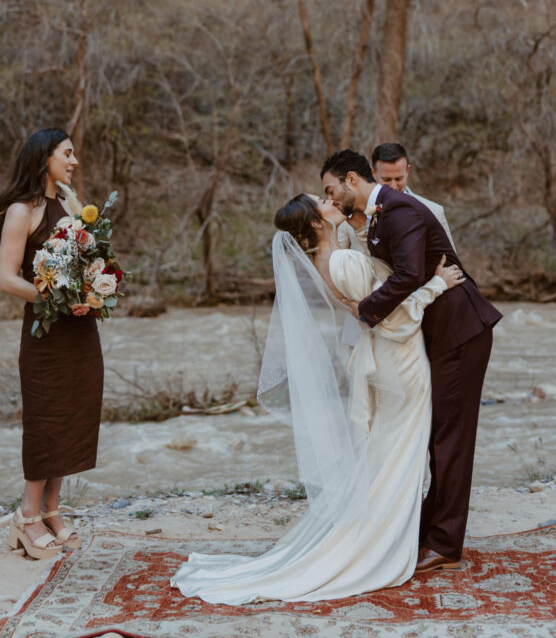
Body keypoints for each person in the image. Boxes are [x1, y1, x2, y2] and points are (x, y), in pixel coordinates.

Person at [171, 194, 464, 604]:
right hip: (401, 361)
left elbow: (370, 306)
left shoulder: (330, 260)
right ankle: (378, 545)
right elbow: (391, 319)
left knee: (388, 450)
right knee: (400, 451)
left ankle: (383, 534)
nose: (330, 200)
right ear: (314, 225)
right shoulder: (341, 263)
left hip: (386, 362)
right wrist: (436, 285)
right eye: (322, 201)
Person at [321, 150, 502, 573]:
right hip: (436, 332)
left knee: (450, 440)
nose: (330, 197)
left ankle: (445, 545)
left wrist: (364, 311)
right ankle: (427, 531)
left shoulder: (398, 209)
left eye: (332, 190)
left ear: (351, 180)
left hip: (461, 331)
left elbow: (406, 276)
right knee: (439, 436)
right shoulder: (381, 212)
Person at [0, 129, 104, 559]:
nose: (74, 160)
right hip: (44, 334)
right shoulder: (21, 211)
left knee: (74, 416)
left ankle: (52, 510)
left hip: (80, 331)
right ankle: (26, 516)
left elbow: (87, 262)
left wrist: (97, 283)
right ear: (44, 157)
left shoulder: (71, 206)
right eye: (67, 153)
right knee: (47, 418)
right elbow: (5, 277)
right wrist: (50, 295)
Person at [338, 143, 454, 251]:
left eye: (398, 179)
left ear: (408, 170)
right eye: (387, 180)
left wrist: (438, 274)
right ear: (373, 173)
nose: (393, 186)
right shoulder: (352, 213)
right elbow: (336, 263)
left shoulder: (434, 211)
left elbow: (451, 264)